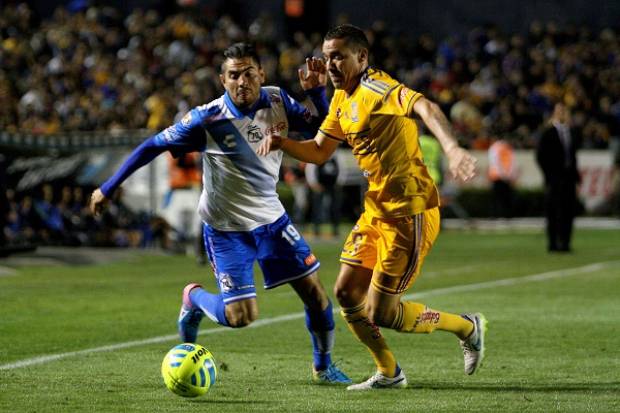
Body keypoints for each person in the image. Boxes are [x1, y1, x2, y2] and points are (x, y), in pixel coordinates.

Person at [90, 43, 350, 384]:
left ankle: (323, 367)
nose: (241, 81)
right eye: (233, 75)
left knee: (316, 295)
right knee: (241, 317)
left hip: (272, 221)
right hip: (226, 229)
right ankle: (194, 298)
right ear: (222, 80)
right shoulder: (206, 119)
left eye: (248, 73)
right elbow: (153, 145)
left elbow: (322, 127)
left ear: (261, 74)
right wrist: (108, 187)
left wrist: (317, 92)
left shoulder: (277, 100)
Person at [257, 24, 486, 390]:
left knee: (384, 312)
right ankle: (389, 372)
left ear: (361, 58)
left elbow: (425, 106)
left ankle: (467, 326)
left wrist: (453, 148)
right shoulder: (341, 99)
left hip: (410, 212)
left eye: (339, 56)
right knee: (347, 292)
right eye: (327, 56)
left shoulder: (376, 88)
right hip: (377, 211)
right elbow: (318, 151)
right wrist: (282, 142)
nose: (330, 64)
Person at [536, 102, 580, 252]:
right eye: (559, 111)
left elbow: (573, 157)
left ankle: (566, 243)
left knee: (568, 211)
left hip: (568, 178)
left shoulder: (571, 132)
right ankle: (553, 243)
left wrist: (576, 177)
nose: (562, 114)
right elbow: (540, 156)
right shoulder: (548, 132)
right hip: (555, 179)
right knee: (554, 211)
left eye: (564, 111)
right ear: (554, 113)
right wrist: (549, 175)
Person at [305, 154, 341, 238]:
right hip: (319, 185)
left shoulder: (335, 157)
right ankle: (316, 230)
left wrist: (338, 182)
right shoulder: (318, 156)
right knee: (317, 208)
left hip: (332, 185)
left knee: (335, 208)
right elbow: (310, 169)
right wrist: (314, 183)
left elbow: (340, 170)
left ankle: (335, 230)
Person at [488, 138, 517, 218]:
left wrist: (509, 175)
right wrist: (505, 175)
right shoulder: (496, 147)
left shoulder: (507, 148)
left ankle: (506, 215)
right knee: (498, 197)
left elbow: (512, 163)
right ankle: (496, 215)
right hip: (498, 177)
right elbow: (496, 163)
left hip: (504, 177)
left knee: (505, 197)